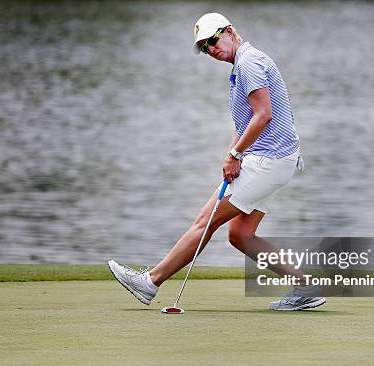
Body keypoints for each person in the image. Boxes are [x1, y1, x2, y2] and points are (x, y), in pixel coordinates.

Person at [108, 12, 326, 311]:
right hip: (274, 160)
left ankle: (149, 283)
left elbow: (264, 115)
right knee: (240, 235)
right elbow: (247, 118)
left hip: (267, 160)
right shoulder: (242, 65)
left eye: (213, 40)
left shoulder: (248, 63)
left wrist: (236, 155)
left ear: (230, 31)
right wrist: (233, 152)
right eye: (204, 46)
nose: (211, 49)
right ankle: (305, 287)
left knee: (204, 222)